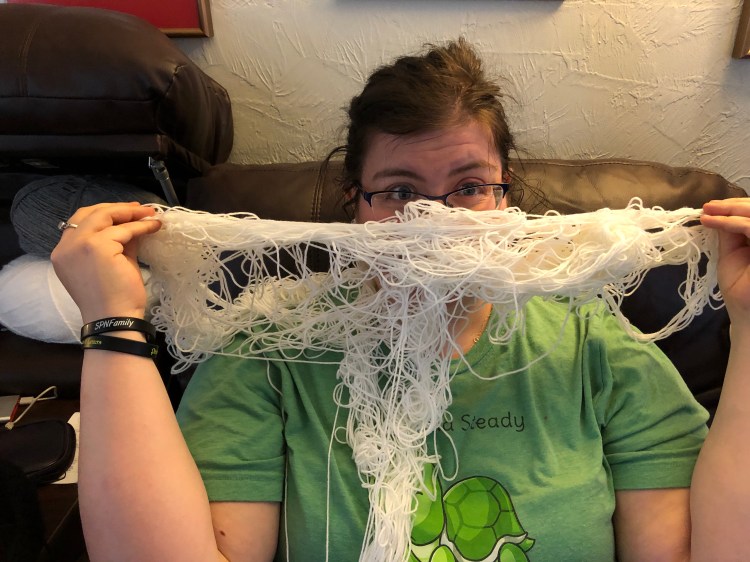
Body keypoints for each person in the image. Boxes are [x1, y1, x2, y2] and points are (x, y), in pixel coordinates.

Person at [51, 38, 750, 562]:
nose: (432, 221)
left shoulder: (589, 338)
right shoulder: (271, 347)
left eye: (468, 187)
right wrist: (112, 327)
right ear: (354, 204)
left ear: (505, 196)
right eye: (400, 192)